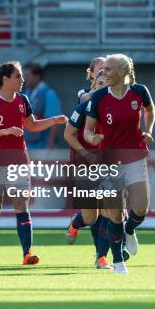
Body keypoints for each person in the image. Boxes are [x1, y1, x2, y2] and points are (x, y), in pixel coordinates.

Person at [0, 61, 67, 265]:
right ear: (6, 79)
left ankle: (27, 254)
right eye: (18, 76)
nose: (22, 80)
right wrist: (4, 131)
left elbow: (32, 125)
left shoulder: (23, 100)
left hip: (18, 159)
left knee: (22, 206)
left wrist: (54, 121)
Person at [84, 54, 155, 274]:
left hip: (135, 156)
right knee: (115, 213)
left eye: (108, 69)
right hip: (108, 160)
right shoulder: (98, 98)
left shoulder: (139, 92)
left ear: (123, 72)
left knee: (141, 208)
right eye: (102, 69)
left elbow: (150, 110)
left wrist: (149, 131)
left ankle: (130, 228)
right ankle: (118, 262)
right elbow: (88, 130)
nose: (103, 72)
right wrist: (92, 138)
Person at [63, 71, 112, 270]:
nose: (103, 87)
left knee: (110, 210)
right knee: (91, 217)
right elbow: (68, 134)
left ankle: (101, 257)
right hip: (85, 165)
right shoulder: (83, 107)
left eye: (107, 83)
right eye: (99, 83)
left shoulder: (115, 107)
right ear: (93, 86)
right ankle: (75, 224)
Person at [22, 63, 62, 149]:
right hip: (27, 145)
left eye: (28, 75)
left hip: (43, 146)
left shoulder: (49, 94)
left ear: (37, 76)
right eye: (24, 75)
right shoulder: (25, 93)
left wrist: (50, 144)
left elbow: (55, 121)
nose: (25, 79)